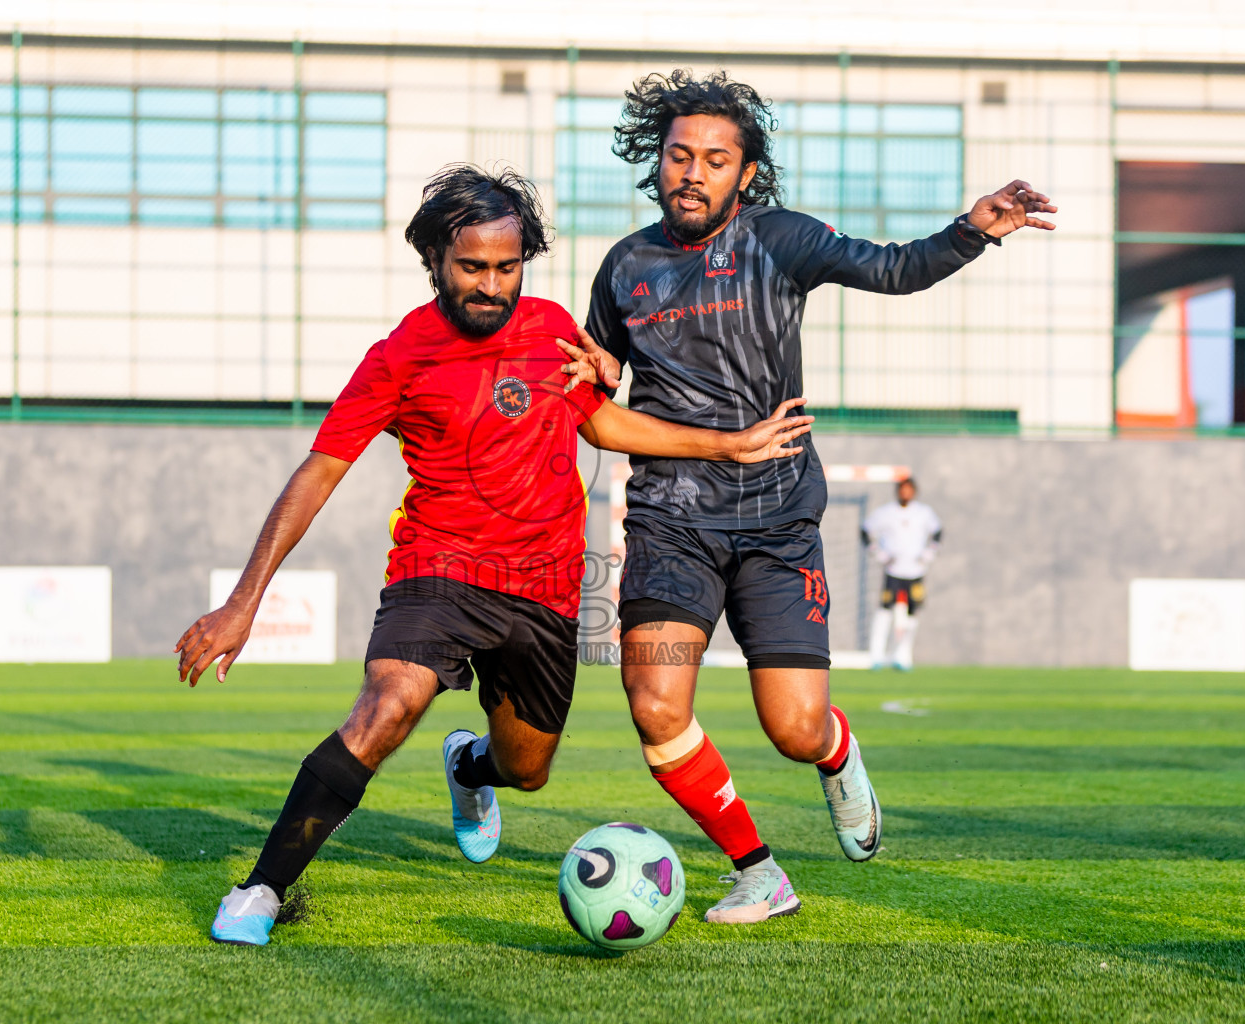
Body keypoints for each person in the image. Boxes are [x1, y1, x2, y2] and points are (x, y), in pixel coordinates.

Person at [174, 164, 813, 946]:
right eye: (471, 267)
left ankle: (470, 769)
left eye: (506, 267)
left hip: (545, 591)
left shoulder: (550, 330)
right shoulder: (399, 356)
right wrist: (245, 601)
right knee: (388, 704)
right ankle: (263, 891)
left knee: (527, 767)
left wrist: (728, 445)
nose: (490, 285)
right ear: (437, 261)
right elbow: (320, 471)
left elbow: (605, 426)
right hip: (437, 570)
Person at [572, 69, 1056, 924]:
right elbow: (600, 381)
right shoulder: (625, 266)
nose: (694, 172)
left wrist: (972, 231)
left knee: (794, 728)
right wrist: (598, 371)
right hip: (670, 522)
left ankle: (837, 758)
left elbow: (897, 268)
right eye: (679, 155)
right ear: (657, 162)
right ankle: (758, 871)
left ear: (745, 173)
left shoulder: (780, 240)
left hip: (776, 521)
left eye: (716, 160)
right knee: (655, 705)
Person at [861, 477, 943, 671]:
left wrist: (929, 553)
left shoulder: (923, 513)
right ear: (897, 491)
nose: (905, 493)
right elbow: (865, 531)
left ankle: (903, 655)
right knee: (885, 610)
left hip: (915, 571)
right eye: (902, 490)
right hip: (893, 571)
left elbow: (938, 532)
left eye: (909, 490)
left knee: (912, 614)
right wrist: (879, 554)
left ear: (914, 492)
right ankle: (877, 656)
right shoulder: (886, 512)